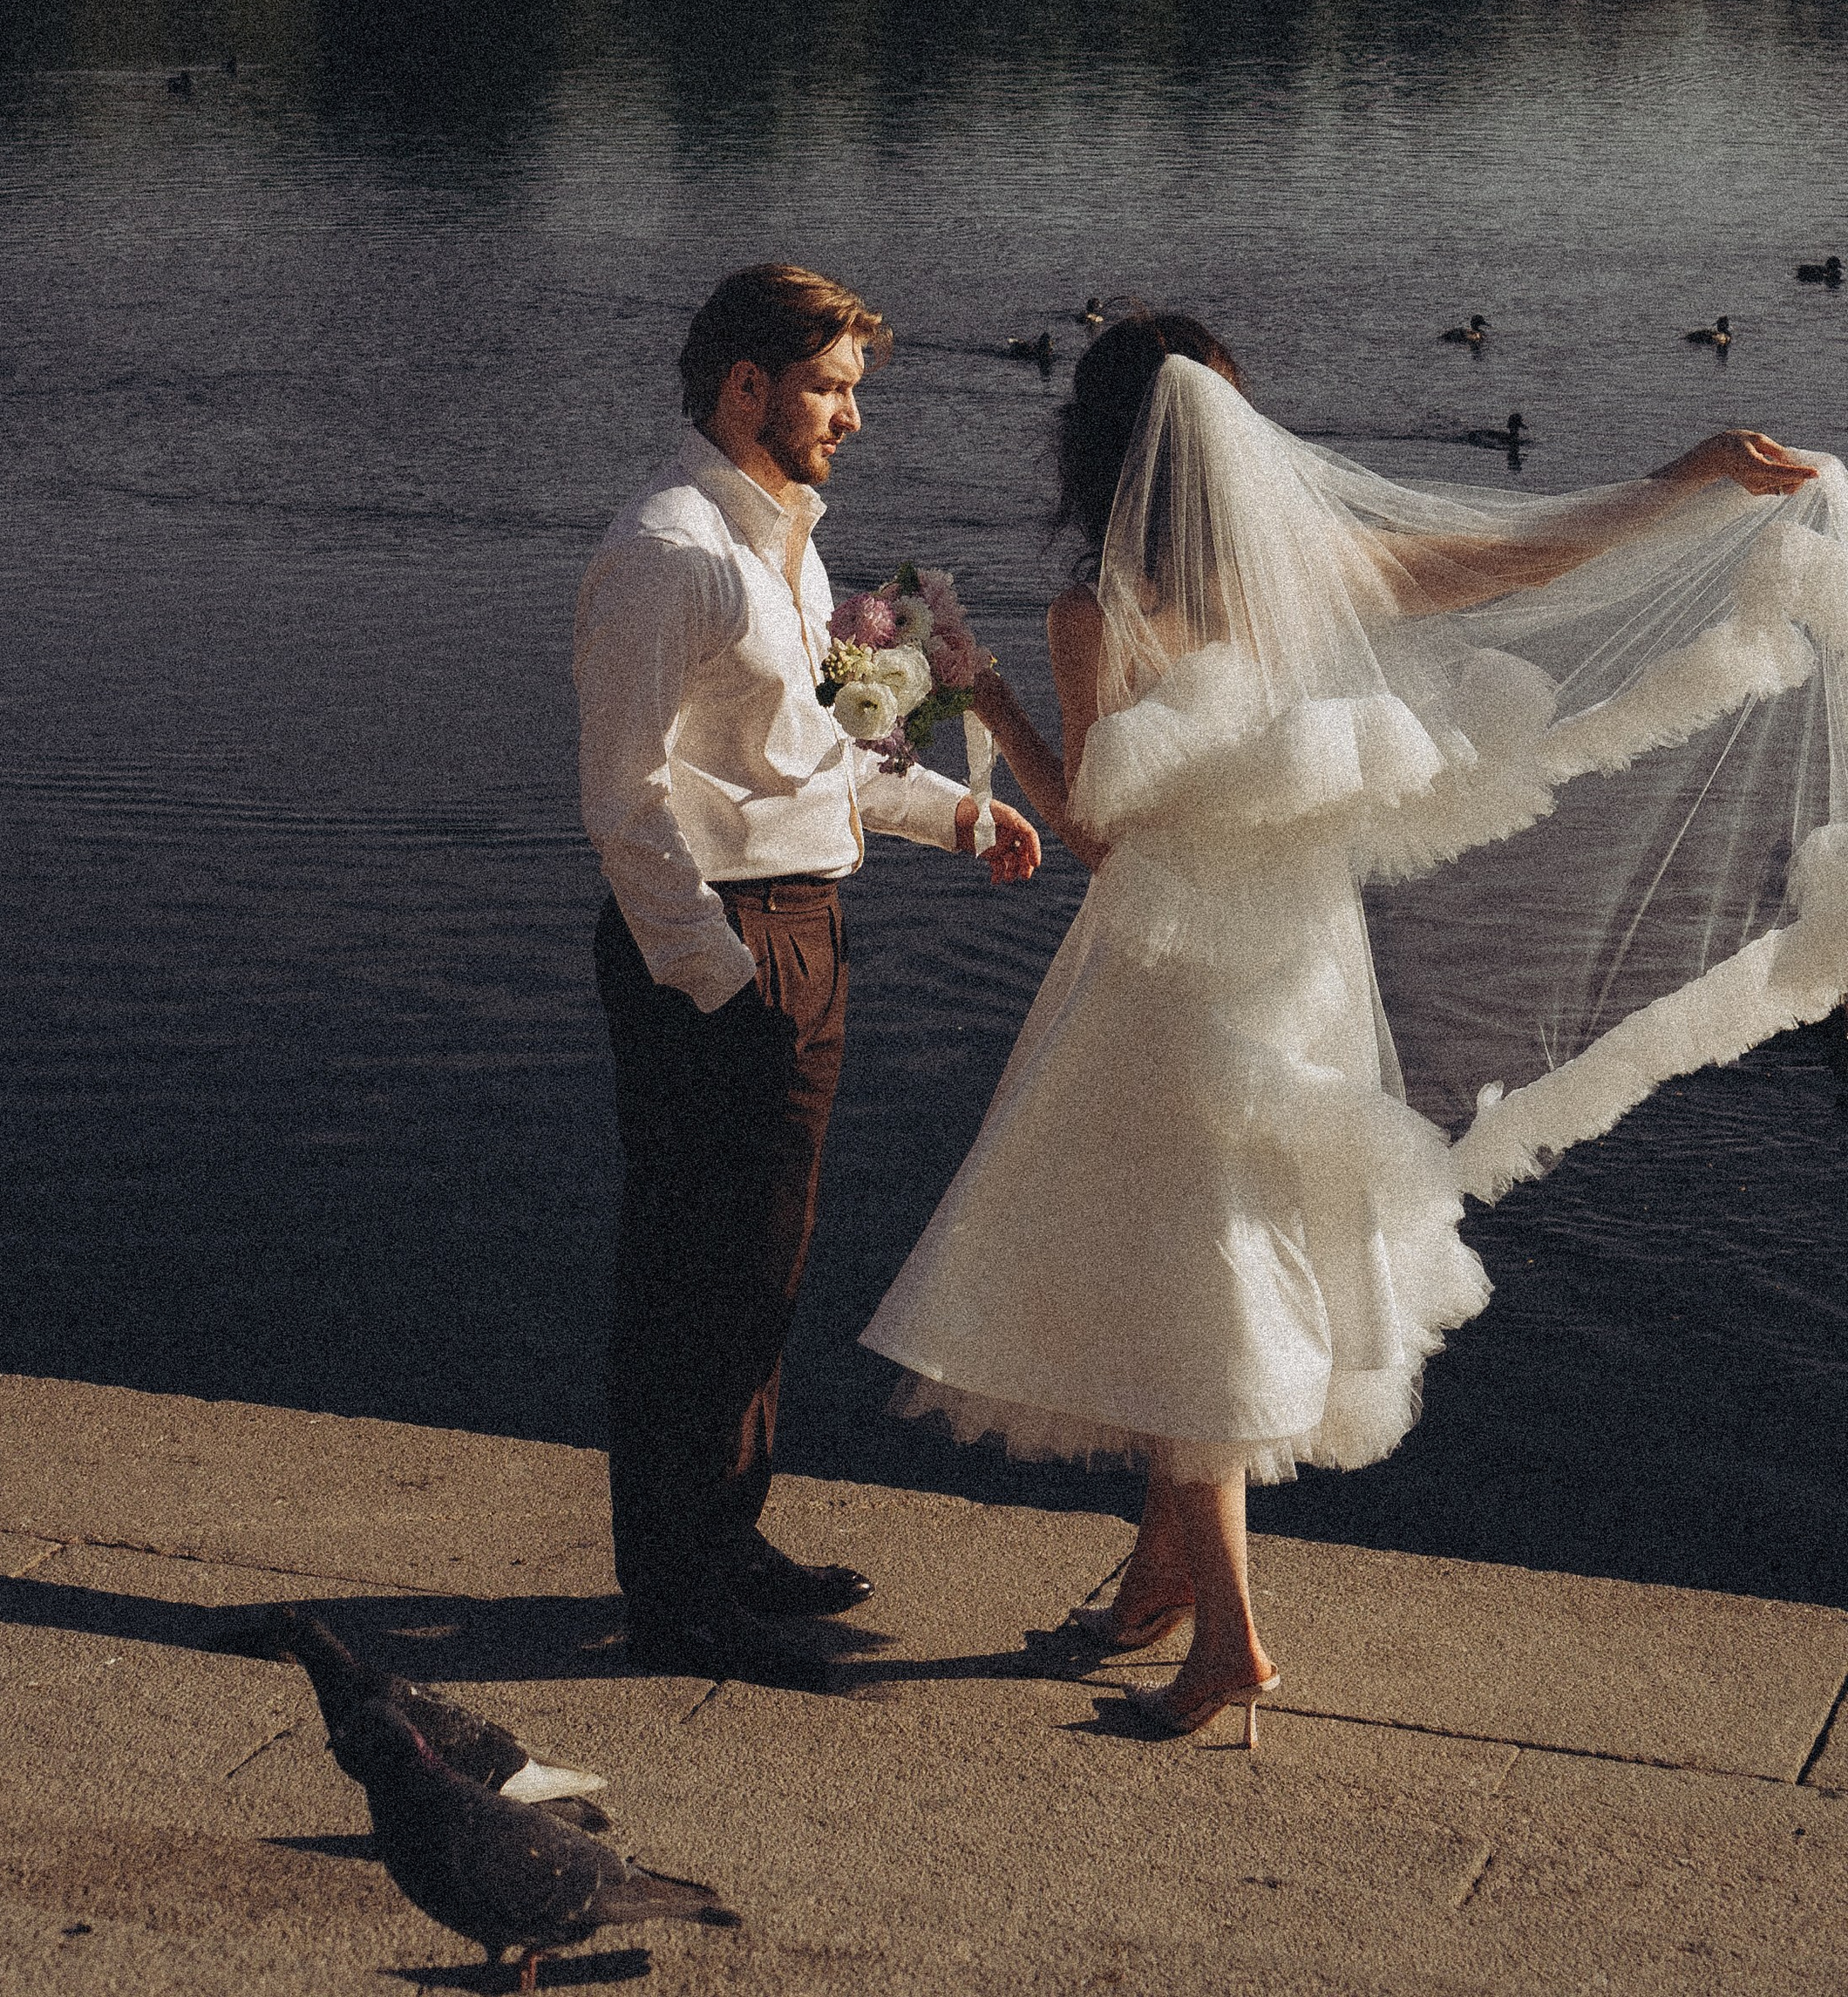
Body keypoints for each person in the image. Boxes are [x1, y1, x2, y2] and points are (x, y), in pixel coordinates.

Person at [862, 309, 1845, 1746]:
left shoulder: (1102, 613)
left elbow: (1095, 834)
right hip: (1307, 966)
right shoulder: (1309, 571)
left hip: (1172, 972)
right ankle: (1158, 1581)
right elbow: (1528, 554)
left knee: (1193, 1263)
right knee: (1221, 1234)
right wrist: (1688, 473)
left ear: (1097, 452)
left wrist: (987, 694)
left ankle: (1233, 1649)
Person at [576, 262, 1042, 1684]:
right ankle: (674, 1600)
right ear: (744, 390)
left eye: (852, 389)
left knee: (760, 1269)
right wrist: (716, 984)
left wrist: (952, 813)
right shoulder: (674, 553)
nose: (851, 416)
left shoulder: (788, 548)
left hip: (801, 924)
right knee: (692, 1278)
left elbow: (812, 762)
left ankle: (727, 1542)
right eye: (830, 388)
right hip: (715, 944)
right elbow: (626, 801)